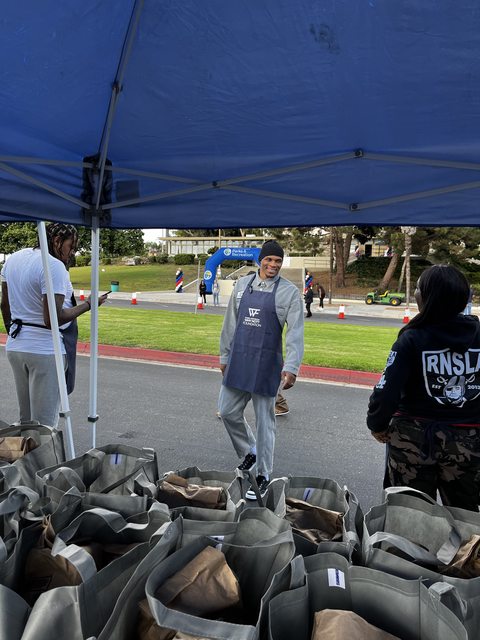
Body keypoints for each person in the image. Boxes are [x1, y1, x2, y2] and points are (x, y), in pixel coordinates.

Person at [366, 264, 480, 511]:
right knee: (464, 515)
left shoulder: (412, 338)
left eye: (418, 288)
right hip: (468, 441)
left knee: (409, 514)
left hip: (413, 440)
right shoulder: (477, 335)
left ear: (429, 297)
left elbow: (387, 390)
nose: (415, 293)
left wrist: (377, 424)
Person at [218, 239, 304, 499]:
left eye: (278, 261)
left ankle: (263, 474)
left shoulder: (289, 292)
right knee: (227, 411)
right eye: (269, 259)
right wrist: (224, 356)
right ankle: (250, 451)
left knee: (265, 423)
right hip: (239, 360)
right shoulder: (242, 285)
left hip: (267, 365)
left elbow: (295, 332)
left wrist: (292, 366)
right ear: (260, 260)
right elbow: (230, 323)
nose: (273, 265)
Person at [1, 223, 108, 427]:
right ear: (57, 241)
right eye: (71, 246)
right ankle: (41, 450)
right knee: (44, 425)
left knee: (26, 420)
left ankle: (27, 448)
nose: (72, 252)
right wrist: (88, 305)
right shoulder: (54, 266)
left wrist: (14, 332)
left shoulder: (13, 259)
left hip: (16, 347)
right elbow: (52, 318)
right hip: (45, 350)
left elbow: (4, 305)